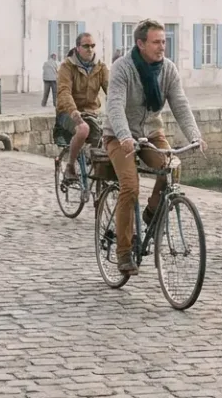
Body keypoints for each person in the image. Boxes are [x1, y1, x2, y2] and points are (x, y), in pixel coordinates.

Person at [102, 19, 206, 275]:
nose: (162, 47)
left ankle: (151, 212)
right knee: (130, 185)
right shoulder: (122, 67)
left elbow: (180, 104)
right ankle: (124, 252)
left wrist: (195, 135)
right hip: (119, 135)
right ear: (140, 43)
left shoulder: (168, 69)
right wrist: (124, 135)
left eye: (164, 41)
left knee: (172, 167)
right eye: (157, 42)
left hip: (151, 132)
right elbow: (114, 105)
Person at [55, 33, 108, 184]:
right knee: (83, 129)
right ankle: (70, 167)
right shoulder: (67, 66)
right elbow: (64, 92)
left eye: (92, 46)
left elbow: (111, 89)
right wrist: (74, 113)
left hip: (91, 112)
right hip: (67, 112)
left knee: (107, 136)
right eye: (86, 46)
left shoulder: (101, 67)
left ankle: (99, 179)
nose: (90, 49)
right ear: (78, 48)